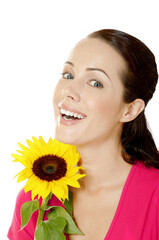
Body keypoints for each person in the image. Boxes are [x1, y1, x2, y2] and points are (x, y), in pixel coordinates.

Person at [8, 29, 159, 240]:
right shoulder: (35, 199)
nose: (68, 89)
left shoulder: (155, 198)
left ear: (130, 110)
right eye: (68, 75)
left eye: (95, 83)